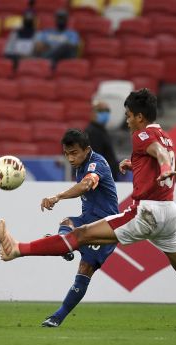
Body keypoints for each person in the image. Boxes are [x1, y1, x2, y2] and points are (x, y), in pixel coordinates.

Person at [0, 88, 176, 292]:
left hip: (147, 212)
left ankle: (18, 249)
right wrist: (144, 166)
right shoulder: (165, 137)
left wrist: (164, 167)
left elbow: (160, 155)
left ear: (139, 116)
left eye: (128, 116)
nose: (127, 121)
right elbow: (175, 167)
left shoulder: (142, 135)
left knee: (80, 235)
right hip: (169, 212)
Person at [39, 129, 119, 327]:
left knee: (85, 269)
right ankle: (65, 246)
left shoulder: (96, 164)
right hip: (88, 219)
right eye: (67, 154)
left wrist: (58, 196)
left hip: (105, 226)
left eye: (74, 153)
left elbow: (86, 186)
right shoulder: (81, 166)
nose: (70, 158)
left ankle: (58, 317)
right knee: (66, 222)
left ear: (87, 150)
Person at [85, 100, 120, 181]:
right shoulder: (92, 132)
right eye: (101, 111)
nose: (105, 113)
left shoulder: (102, 131)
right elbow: (95, 159)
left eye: (107, 111)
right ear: (93, 113)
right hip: (101, 180)